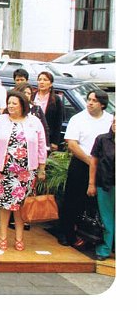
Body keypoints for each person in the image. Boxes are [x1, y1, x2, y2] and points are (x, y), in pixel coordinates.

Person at [0, 90, 48, 251]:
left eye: (14, 103)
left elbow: (42, 146)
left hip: (26, 173)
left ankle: (19, 237)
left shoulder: (34, 121)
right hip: (3, 171)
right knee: (4, 205)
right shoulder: (0, 120)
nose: (11, 106)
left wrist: (42, 168)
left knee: (21, 205)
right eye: (9, 103)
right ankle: (3, 236)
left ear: (23, 105)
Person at [58, 89, 113, 247]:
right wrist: (90, 162)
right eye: (89, 99)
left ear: (103, 104)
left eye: (94, 100)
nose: (90, 103)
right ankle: (67, 234)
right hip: (81, 163)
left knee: (98, 202)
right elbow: (72, 144)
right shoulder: (78, 119)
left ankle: (96, 236)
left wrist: (98, 164)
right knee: (72, 200)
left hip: (105, 166)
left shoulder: (110, 120)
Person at [89, 117, 115, 261]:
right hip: (105, 184)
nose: (115, 125)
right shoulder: (102, 139)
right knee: (107, 218)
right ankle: (105, 249)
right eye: (114, 121)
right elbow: (94, 162)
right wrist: (91, 184)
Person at [32, 72, 65, 151]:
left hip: (47, 136)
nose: (42, 82)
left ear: (50, 83)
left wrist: (55, 141)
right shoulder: (32, 96)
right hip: (32, 133)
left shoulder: (56, 99)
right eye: (40, 80)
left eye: (45, 80)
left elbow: (58, 122)